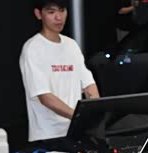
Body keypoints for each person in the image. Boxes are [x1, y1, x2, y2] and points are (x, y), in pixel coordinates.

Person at [20, 0, 100, 142]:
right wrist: (78, 117)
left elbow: (88, 84)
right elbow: (45, 96)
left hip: (76, 132)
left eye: (62, 11)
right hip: (48, 135)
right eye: (51, 12)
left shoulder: (71, 45)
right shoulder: (33, 48)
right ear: (38, 14)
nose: (58, 17)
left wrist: (96, 112)